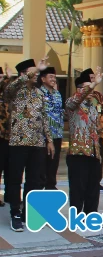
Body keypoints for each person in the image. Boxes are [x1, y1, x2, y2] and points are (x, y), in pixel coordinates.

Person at [4, 57, 55, 232]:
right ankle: (15, 213)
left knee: (35, 180)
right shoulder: (15, 90)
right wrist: (36, 69)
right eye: (33, 72)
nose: (37, 75)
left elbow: (44, 119)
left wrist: (49, 140)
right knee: (15, 179)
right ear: (23, 74)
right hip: (18, 142)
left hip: (38, 143)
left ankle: (29, 213)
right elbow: (8, 90)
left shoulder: (40, 94)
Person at [65, 67, 103, 215]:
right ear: (79, 89)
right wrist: (92, 85)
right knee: (77, 187)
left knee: (93, 186)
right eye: (87, 88)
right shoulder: (72, 104)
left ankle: (91, 214)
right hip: (78, 152)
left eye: (92, 89)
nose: (90, 92)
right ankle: (76, 215)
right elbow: (75, 100)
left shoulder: (93, 107)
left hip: (94, 152)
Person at [79, 68, 103, 192]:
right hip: (84, 136)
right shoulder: (78, 98)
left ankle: (96, 182)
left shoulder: (98, 96)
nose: (93, 81)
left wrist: (101, 125)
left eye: (93, 79)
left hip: (98, 133)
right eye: (91, 79)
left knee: (98, 159)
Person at [38, 67, 64, 190]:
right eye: (51, 77)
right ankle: (41, 186)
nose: (53, 79)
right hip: (43, 135)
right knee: (42, 162)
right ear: (43, 79)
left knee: (54, 162)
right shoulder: (39, 93)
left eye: (54, 77)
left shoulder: (57, 94)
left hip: (57, 133)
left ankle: (51, 185)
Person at [0, 66, 12, 207]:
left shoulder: (8, 95)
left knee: (11, 167)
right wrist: (7, 78)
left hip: (9, 136)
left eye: (2, 77)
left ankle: (10, 195)